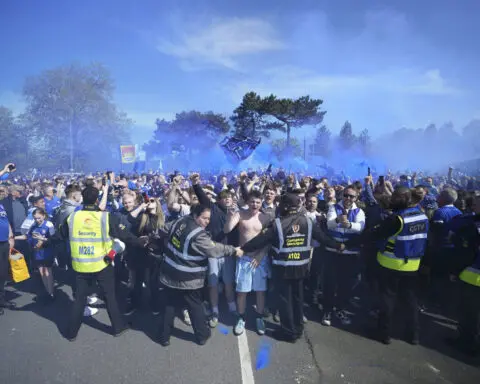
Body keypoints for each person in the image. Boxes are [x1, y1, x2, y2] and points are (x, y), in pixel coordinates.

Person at [43, 186, 147, 341]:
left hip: (80, 265)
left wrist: (45, 243)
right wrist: (140, 242)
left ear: (82, 199)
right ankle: (118, 327)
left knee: (79, 299)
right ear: (97, 199)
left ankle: (71, 333)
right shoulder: (105, 217)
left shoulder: (73, 217)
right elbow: (125, 235)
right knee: (109, 296)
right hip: (102, 264)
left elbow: (59, 236)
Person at [241, 193, 344, 343]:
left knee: (285, 301)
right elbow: (323, 238)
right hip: (301, 268)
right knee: (297, 299)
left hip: (283, 269)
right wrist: (338, 245)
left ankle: (288, 332)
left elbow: (260, 241)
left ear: (286, 206)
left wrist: (243, 248)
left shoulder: (278, 224)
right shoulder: (308, 222)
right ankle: (298, 328)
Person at [151, 204, 243, 346]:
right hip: (188, 278)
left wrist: (152, 237)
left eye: (209, 219)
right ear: (195, 216)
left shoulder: (179, 221)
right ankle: (202, 335)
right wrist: (233, 250)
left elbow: (162, 230)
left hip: (169, 274)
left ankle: (164, 337)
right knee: (195, 307)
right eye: (204, 218)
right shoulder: (198, 234)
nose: (207, 222)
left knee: (169, 305)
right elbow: (214, 249)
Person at [353, 187, 429, 345]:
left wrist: (351, 242)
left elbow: (376, 234)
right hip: (413, 266)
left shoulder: (398, 219)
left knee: (387, 300)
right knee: (410, 301)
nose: (391, 199)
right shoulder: (422, 216)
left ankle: (383, 333)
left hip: (391, 264)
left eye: (394, 197)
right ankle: (413, 335)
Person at [224, 190, 272, 336]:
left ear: (261, 202)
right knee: (242, 292)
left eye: (258, 202)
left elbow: (269, 240)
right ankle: (241, 318)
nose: (255, 204)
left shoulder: (266, 217)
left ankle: (259, 318)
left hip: (260, 259)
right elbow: (227, 229)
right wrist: (230, 216)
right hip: (243, 258)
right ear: (248, 202)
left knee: (260, 291)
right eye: (252, 201)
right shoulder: (240, 214)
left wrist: (260, 256)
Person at [323, 185, 366, 326]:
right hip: (333, 252)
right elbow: (329, 224)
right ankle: (327, 310)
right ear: (342, 195)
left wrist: (348, 225)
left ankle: (340, 309)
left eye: (351, 196)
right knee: (330, 284)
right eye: (346, 195)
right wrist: (337, 221)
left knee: (346, 285)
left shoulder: (359, 211)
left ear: (356, 198)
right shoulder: (333, 208)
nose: (348, 198)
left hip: (350, 254)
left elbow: (360, 227)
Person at [15, 208, 56, 302]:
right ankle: (47, 292)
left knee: (47, 272)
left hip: (47, 252)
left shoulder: (49, 225)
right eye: (35, 218)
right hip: (37, 252)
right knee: (42, 272)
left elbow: (53, 239)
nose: (37, 220)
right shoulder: (33, 225)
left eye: (39, 218)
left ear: (44, 216)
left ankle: (51, 293)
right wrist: (14, 237)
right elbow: (26, 236)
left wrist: (42, 240)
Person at [0, 202, 15, 316]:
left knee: (3, 273)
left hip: (4, 243)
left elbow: (6, 221)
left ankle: (2, 299)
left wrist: (10, 236)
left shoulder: (1, 205)